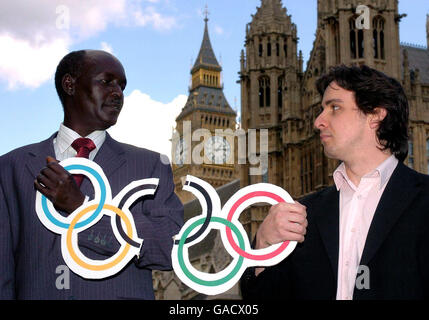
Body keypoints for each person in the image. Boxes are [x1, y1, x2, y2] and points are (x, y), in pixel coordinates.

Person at [0, 50, 184, 299]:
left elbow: (168, 248)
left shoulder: (150, 166)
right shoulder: (11, 167)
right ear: (70, 84)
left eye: (122, 85)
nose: (117, 93)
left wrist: (82, 210)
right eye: (107, 82)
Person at [240, 64, 429, 300]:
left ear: (375, 116)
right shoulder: (304, 213)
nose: (318, 121)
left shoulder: (423, 202)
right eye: (322, 109)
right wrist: (264, 244)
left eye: (335, 108)